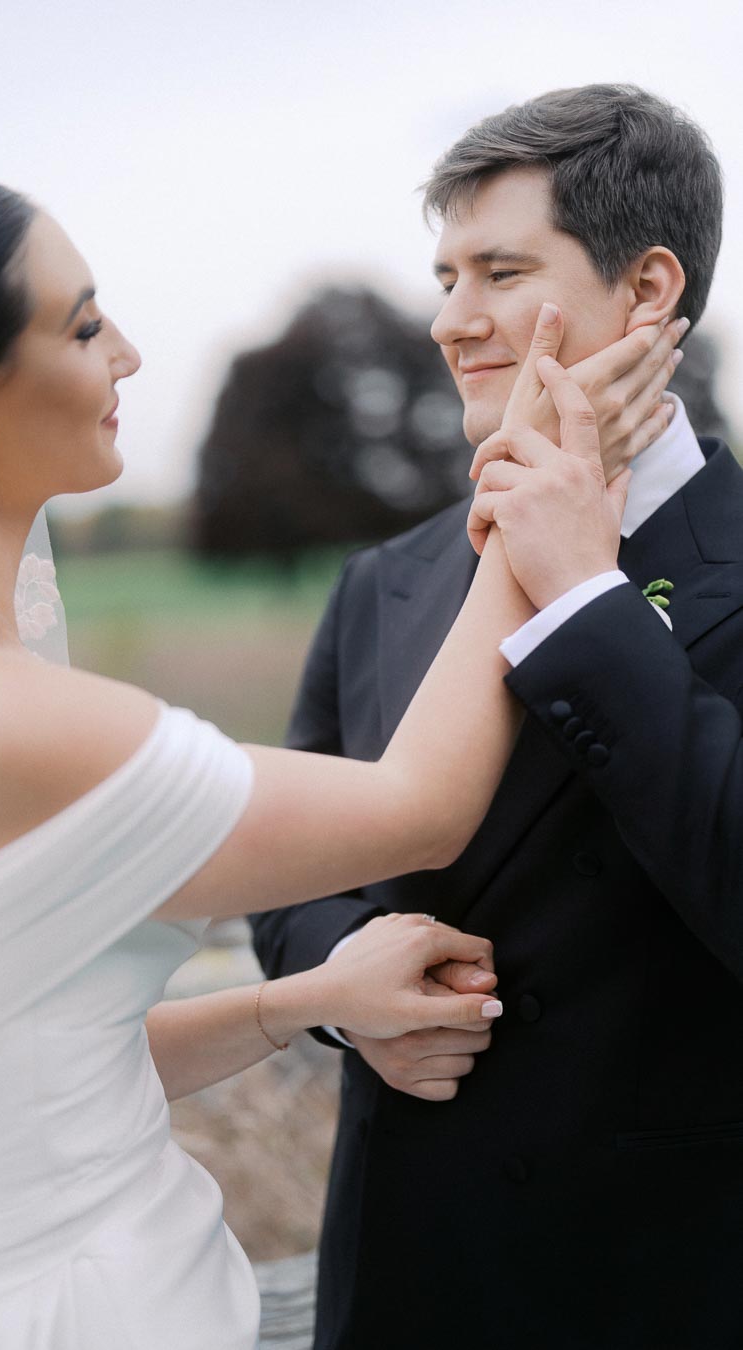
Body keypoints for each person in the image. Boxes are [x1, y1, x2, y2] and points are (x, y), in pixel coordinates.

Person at [0, 168, 670, 1349]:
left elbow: (15, 1050)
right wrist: (533, 501)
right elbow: (420, 809)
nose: (128, 354)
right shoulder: (11, 717)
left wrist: (302, 1002)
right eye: (83, 324)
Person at [251, 83, 740, 1350]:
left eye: (499, 271)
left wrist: (582, 589)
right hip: (409, 1255)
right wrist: (342, 989)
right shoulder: (386, 579)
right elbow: (290, 870)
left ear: (645, 292)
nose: (449, 320)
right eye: (445, 275)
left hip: (669, 1274)